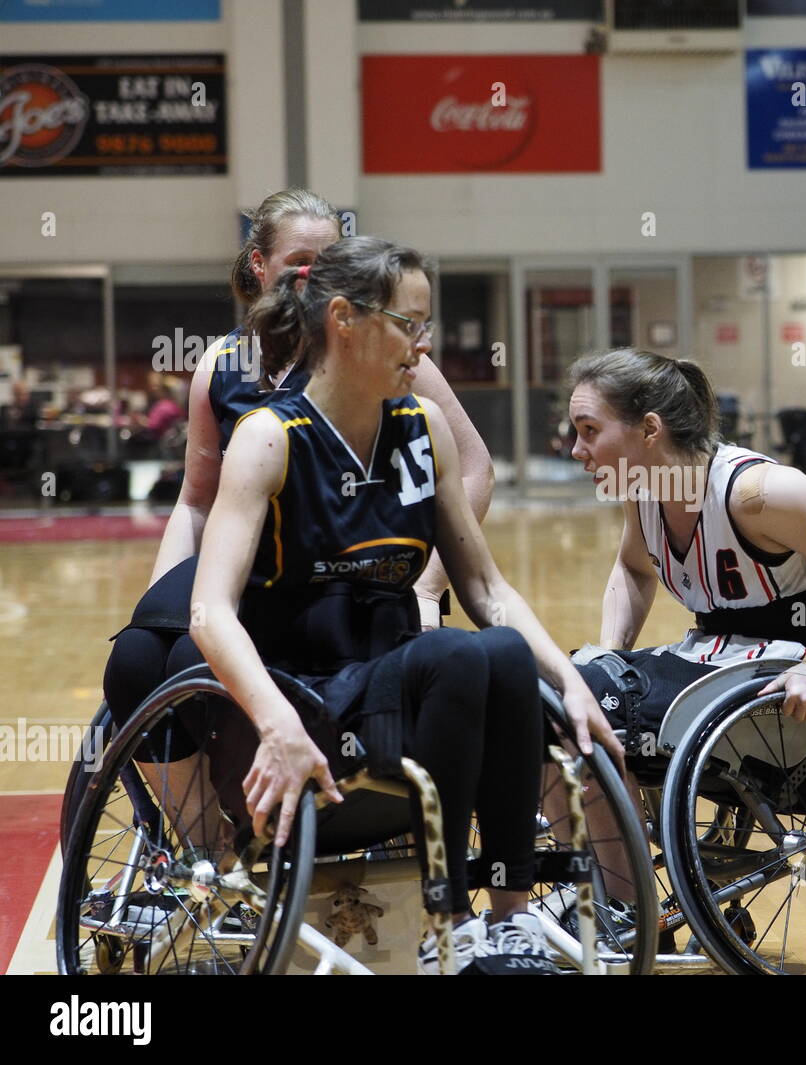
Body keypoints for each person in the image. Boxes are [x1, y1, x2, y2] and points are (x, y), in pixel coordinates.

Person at [190, 236, 618, 974]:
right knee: (453, 651)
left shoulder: (423, 429)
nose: (422, 345)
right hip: (307, 698)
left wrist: (572, 682)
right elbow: (209, 613)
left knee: (503, 649)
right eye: (408, 323)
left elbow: (486, 590)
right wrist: (278, 723)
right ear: (344, 319)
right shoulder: (268, 438)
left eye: (426, 326)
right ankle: (443, 917)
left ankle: (508, 918)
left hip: (398, 682)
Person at [102, 189, 494, 746]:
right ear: (259, 265)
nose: (314, 276)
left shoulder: (377, 354)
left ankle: (261, 799)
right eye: (298, 263)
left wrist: (428, 590)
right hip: (236, 560)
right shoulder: (221, 363)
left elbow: (474, 468)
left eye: (327, 264)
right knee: (138, 657)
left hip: (333, 566)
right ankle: (196, 829)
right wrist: (158, 604)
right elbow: (195, 500)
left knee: (197, 656)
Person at [567, 347, 806, 741]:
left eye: (589, 430)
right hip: (710, 659)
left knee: (592, 699)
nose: (577, 450)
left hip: (776, 673)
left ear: (649, 429)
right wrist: (613, 656)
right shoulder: (643, 492)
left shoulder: (754, 492)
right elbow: (633, 567)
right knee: (567, 690)